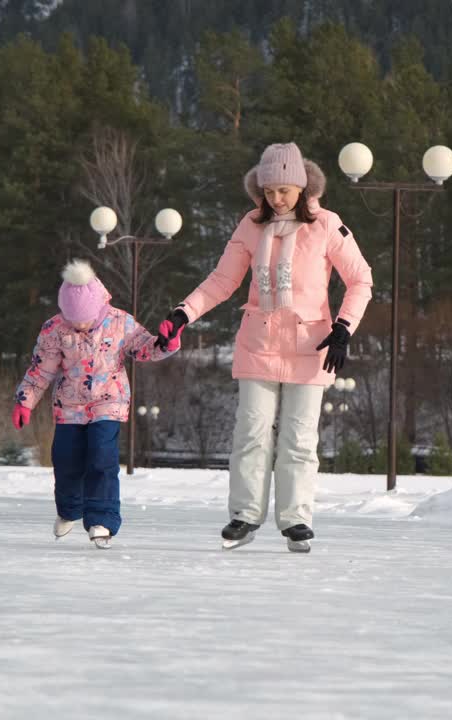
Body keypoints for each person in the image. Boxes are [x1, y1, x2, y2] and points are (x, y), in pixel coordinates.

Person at [156, 142, 373, 553]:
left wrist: (344, 328)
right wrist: (183, 313)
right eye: (268, 190)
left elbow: (361, 279)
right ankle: (244, 515)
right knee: (251, 432)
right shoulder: (251, 225)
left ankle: (295, 520)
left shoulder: (327, 225)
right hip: (259, 343)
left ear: (302, 187)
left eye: (284, 191)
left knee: (298, 438)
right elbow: (222, 281)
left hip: (313, 346)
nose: (275, 198)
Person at [12, 259, 182, 549]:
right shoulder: (54, 329)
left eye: (85, 320)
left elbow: (145, 349)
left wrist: (167, 342)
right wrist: (25, 401)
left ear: (99, 308)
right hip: (69, 406)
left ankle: (102, 519)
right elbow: (41, 369)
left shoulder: (120, 322)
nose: (79, 326)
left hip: (108, 402)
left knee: (102, 458)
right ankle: (69, 509)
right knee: (65, 459)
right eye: (73, 320)